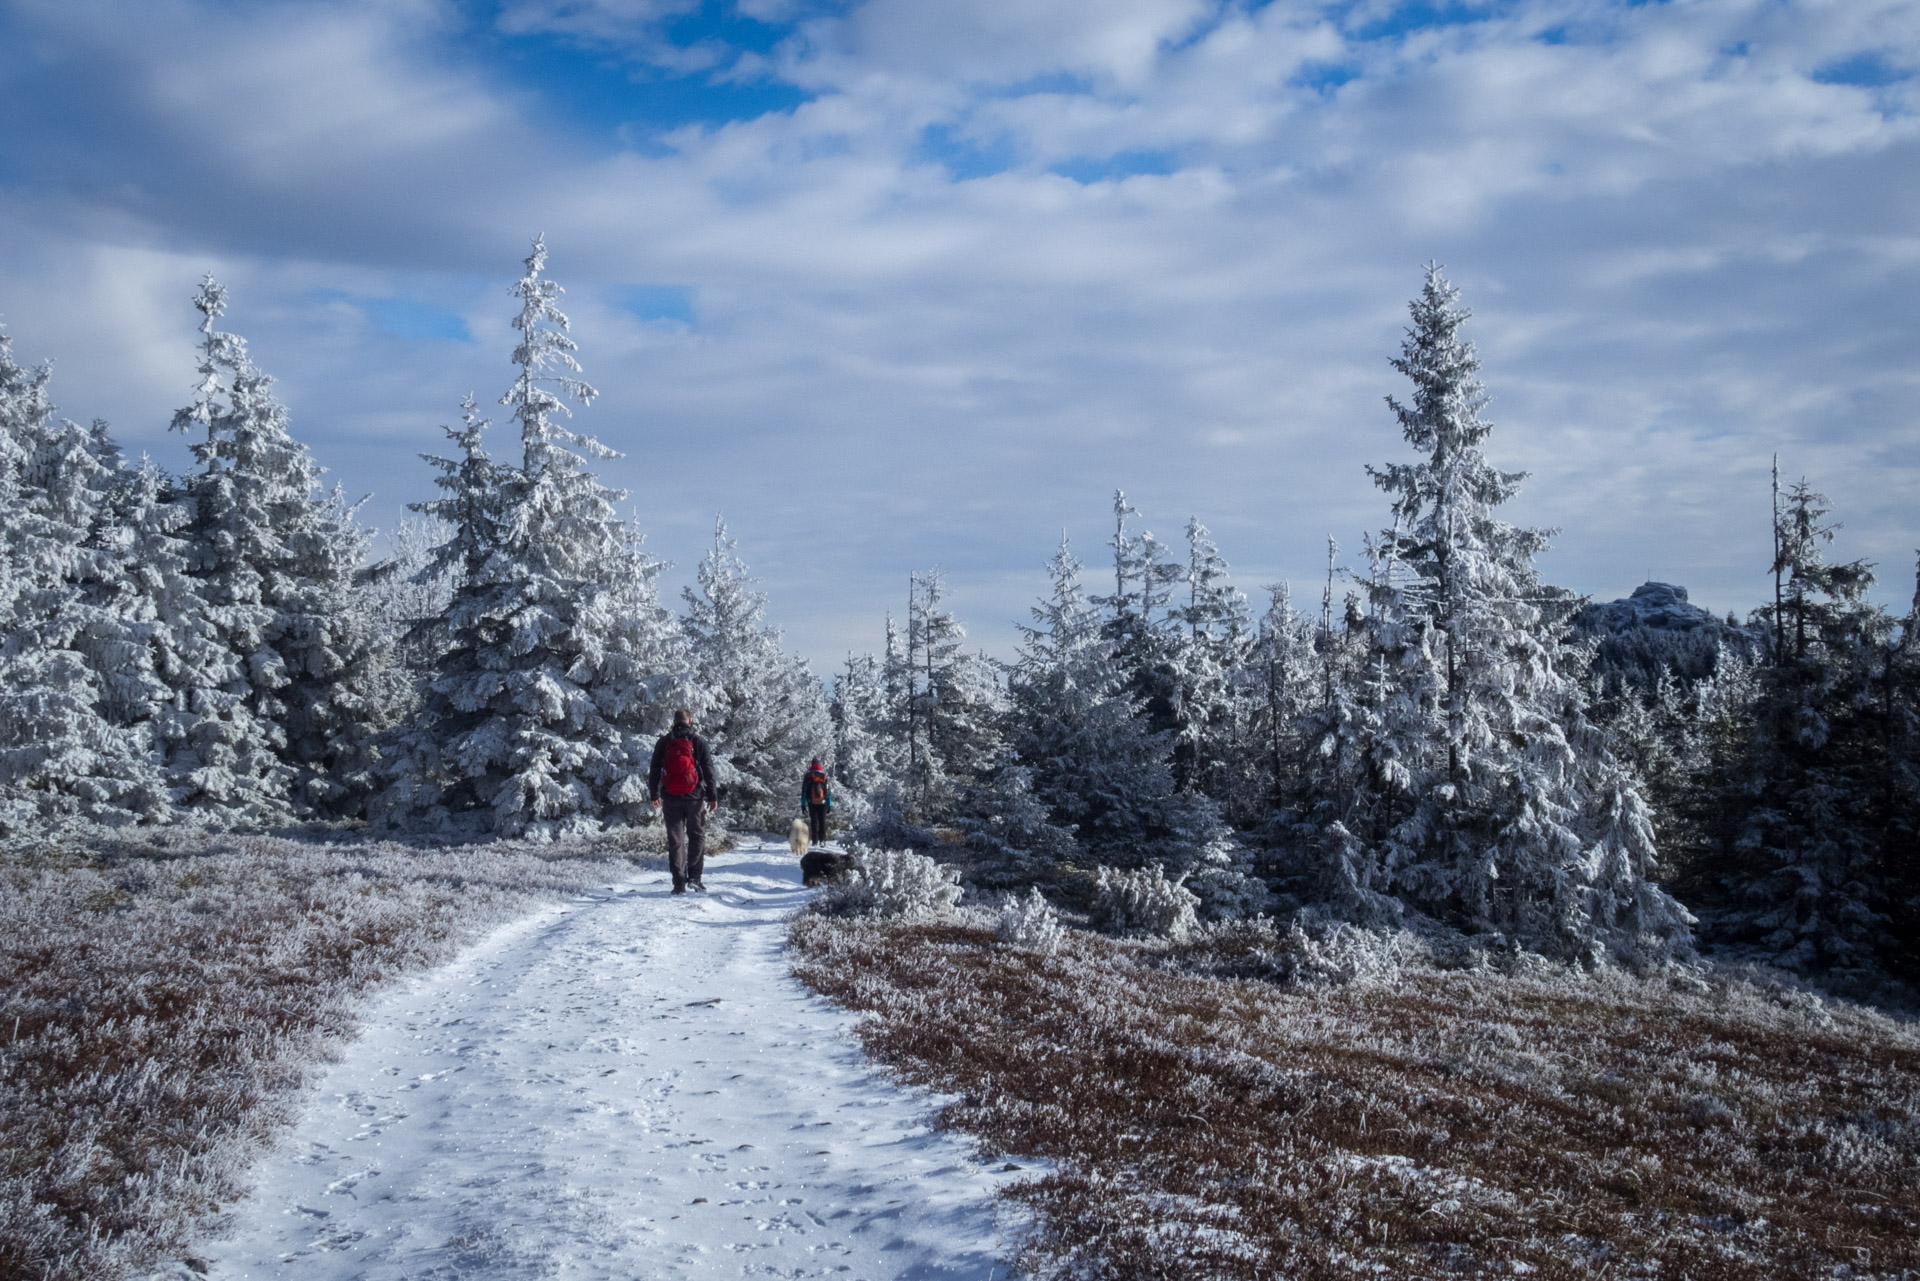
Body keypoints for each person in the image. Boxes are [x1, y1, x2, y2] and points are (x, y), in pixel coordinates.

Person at [649, 708, 718, 894]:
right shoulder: (698, 741)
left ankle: (678, 884)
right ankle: (694, 878)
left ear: (674, 722)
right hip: (694, 798)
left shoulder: (664, 742)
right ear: (690, 721)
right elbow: (708, 770)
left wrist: (654, 794)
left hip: (670, 798)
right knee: (697, 837)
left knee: (675, 841)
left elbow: (654, 769)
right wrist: (712, 796)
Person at [800, 758, 832, 844]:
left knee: (814, 821)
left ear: (812, 764)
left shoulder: (808, 776)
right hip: (823, 802)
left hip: (811, 802)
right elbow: (828, 792)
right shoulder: (823, 776)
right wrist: (829, 804)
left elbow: (804, 791)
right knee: (822, 821)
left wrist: (803, 805)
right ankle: (822, 840)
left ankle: (814, 840)